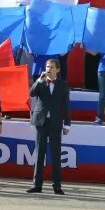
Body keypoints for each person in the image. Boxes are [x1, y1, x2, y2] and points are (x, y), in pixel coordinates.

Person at [27, 58, 71, 195]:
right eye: (47, 66)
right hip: (42, 122)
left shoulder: (62, 85)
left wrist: (67, 123)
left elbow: (65, 105)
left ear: (57, 69)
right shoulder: (41, 82)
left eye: (51, 67)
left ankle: (57, 185)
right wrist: (39, 80)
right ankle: (37, 185)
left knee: (56, 154)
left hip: (55, 123)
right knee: (39, 154)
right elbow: (31, 93)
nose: (48, 69)